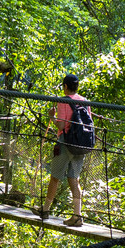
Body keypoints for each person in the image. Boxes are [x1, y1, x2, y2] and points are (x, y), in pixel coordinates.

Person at [36, 73, 94, 226]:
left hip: (66, 143)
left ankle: (45, 210)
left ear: (66, 86)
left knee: (55, 177)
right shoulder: (84, 101)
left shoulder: (63, 101)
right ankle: (77, 216)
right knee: (73, 179)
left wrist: (52, 117)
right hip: (81, 145)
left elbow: (61, 126)